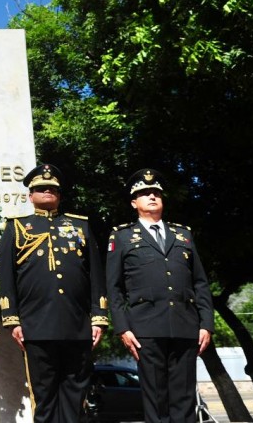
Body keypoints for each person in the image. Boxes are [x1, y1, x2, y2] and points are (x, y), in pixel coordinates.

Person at [0, 163, 108, 422]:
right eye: (40, 188)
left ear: (59, 194)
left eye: (52, 188)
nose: (47, 191)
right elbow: (6, 277)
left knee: (74, 398)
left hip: (77, 327)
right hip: (37, 327)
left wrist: (99, 317)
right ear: (30, 195)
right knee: (44, 399)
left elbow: (96, 275)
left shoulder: (80, 226)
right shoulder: (16, 228)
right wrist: (12, 319)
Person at [106, 168, 214, 423]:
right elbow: (114, 287)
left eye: (156, 193)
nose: (152, 196)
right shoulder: (121, 236)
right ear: (134, 202)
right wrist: (122, 328)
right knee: (156, 400)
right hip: (146, 329)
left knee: (185, 398)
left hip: (185, 326)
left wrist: (206, 323)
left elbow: (200, 282)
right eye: (144, 193)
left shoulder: (183, 234)